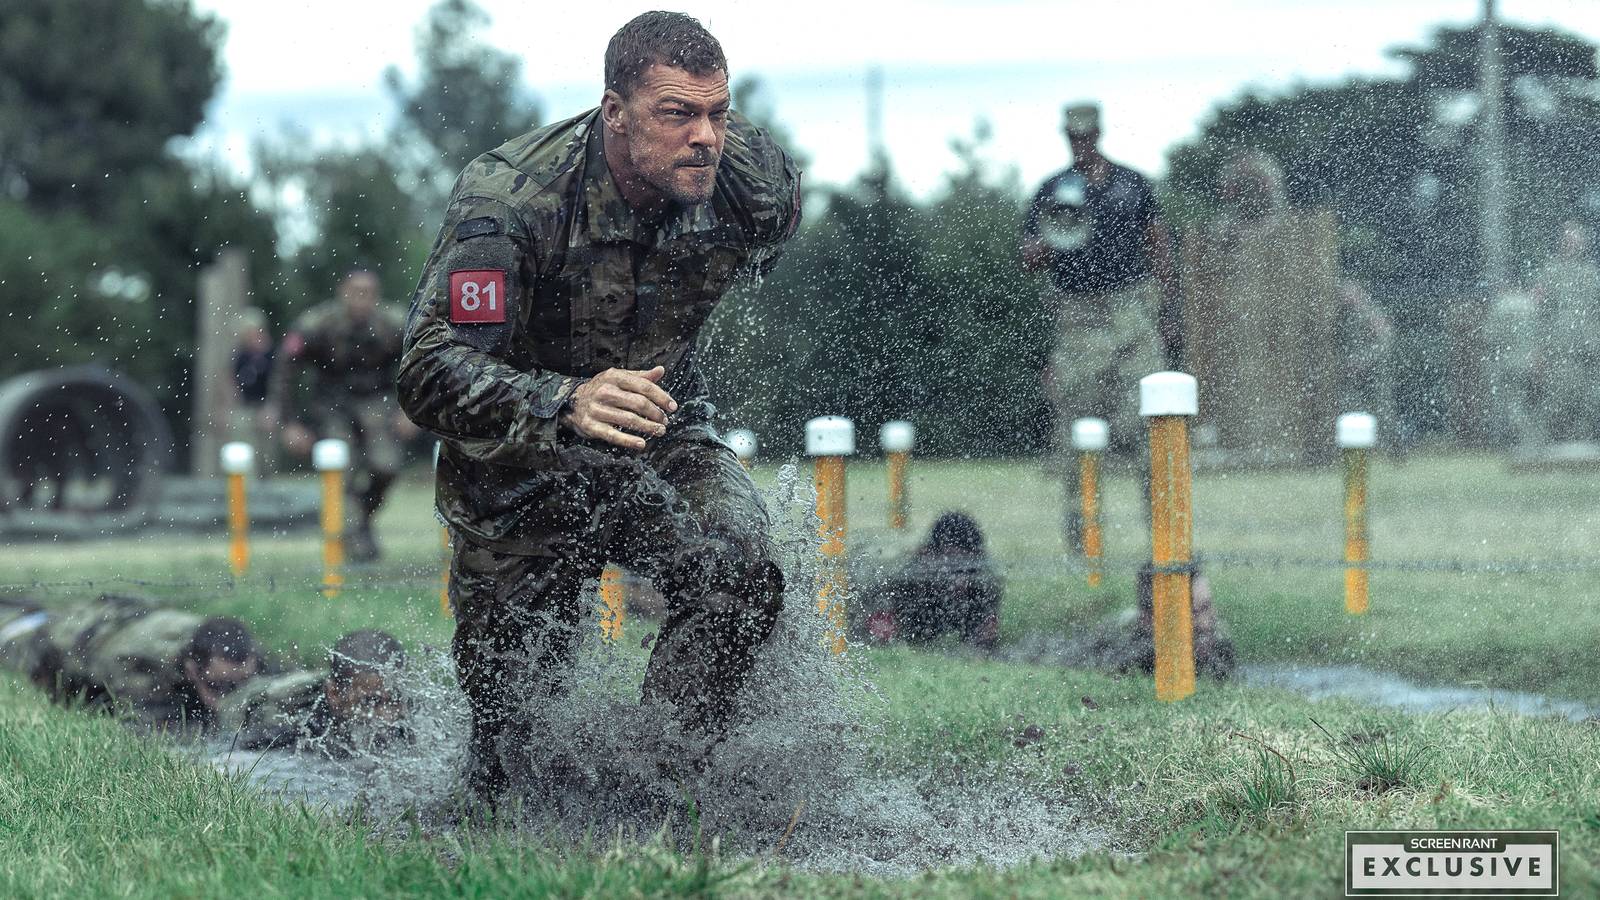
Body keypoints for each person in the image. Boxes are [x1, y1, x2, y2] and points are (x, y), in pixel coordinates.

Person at [397, 12, 802, 802]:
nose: (705, 138)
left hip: (658, 434)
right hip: (520, 464)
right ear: (615, 112)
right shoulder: (512, 200)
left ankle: (665, 780)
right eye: (676, 114)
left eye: (718, 113)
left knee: (739, 569)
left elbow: (773, 229)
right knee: (513, 740)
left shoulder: (749, 182)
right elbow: (428, 370)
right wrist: (566, 399)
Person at [1021, 102, 1179, 553]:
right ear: (1065, 136)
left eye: (1087, 135)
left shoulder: (1133, 184)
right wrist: (1049, 243)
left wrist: (1168, 312)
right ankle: (1083, 545)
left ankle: (1163, 540)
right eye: (1074, 136)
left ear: (1100, 133)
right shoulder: (1052, 190)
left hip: (1133, 314)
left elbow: (1160, 247)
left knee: (1152, 422)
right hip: (1078, 319)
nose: (1081, 143)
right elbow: (1028, 259)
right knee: (1076, 432)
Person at [268, 270, 419, 561]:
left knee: (387, 465)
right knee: (341, 469)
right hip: (331, 405)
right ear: (342, 292)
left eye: (368, 293)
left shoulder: (394, 323)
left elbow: (422, 363)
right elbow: (285, 368)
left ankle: (360, 515)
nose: (362, 300)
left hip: (376, 401)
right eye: (355, 292)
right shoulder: (318, 323)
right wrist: (289, 423)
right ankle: (355, 540)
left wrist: (410, 410)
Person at [0, 595, 261, 734]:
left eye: (240, 683)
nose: (230, 693)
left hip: (113, 618)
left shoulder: (229, 649)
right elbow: (136, 723)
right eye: (219, 686)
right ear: (192, 670)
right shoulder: (138, 669)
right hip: (44, 639)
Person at [220, 629, 410, 758]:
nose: (388, 716)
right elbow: (238, 753)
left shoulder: (409, 704)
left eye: (395, 700)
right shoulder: (286, 715)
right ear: (334, 695)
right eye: (371, 702)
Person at [864, 512, 1003, 652]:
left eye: (968, 570)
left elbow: (983, 645)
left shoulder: (982, 588)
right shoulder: (903, 587)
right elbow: (879, 639)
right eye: (952, 568)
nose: (960, 580)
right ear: (927, 554)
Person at [1080, 569, 1236, 680]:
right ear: (1151, 620)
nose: (1212, 617)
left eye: (1209, 606)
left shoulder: (1218, 650)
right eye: (1200, 610)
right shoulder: (1134, 657)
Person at [1533, 221, 1600, 443]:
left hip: (1590, 351)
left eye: (1578, 239)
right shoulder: (1550, 273)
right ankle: (1545, 450)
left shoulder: (1591, 274)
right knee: (1556, 403)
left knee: (1590, 404)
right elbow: (1541, 314)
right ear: (1561, 242)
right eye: (1569, 239)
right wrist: (1540, 349)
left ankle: (1582, 450)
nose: (1574, 244)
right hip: (1560, 351)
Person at [230, 307, 277, 473]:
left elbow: (276, 383)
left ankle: (265, 480)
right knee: (242, 441)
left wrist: (270, 407)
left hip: (265, 405)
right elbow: (235, 380)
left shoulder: (271, 355)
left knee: (265, 450)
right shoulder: (240, 356)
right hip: (246, 406)